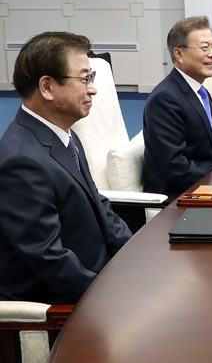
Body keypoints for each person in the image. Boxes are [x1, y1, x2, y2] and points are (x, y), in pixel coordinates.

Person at [0, 32, 132, 304]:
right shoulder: (21, 161)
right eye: (84, 79)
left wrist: (137, 253)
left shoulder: (65, 135)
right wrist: (113, 295)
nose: (93, 89)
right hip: (65, 305)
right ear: (47, 87)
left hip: (102, 277)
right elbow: (48, 258)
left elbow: (99, 204)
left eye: (91, 77)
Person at [143, 16, 212, 199]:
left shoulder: (201, 92)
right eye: (204, 48)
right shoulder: (165, 98)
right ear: (179, 54)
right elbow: (176, 166)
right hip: (179, 197)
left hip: (204, 185)